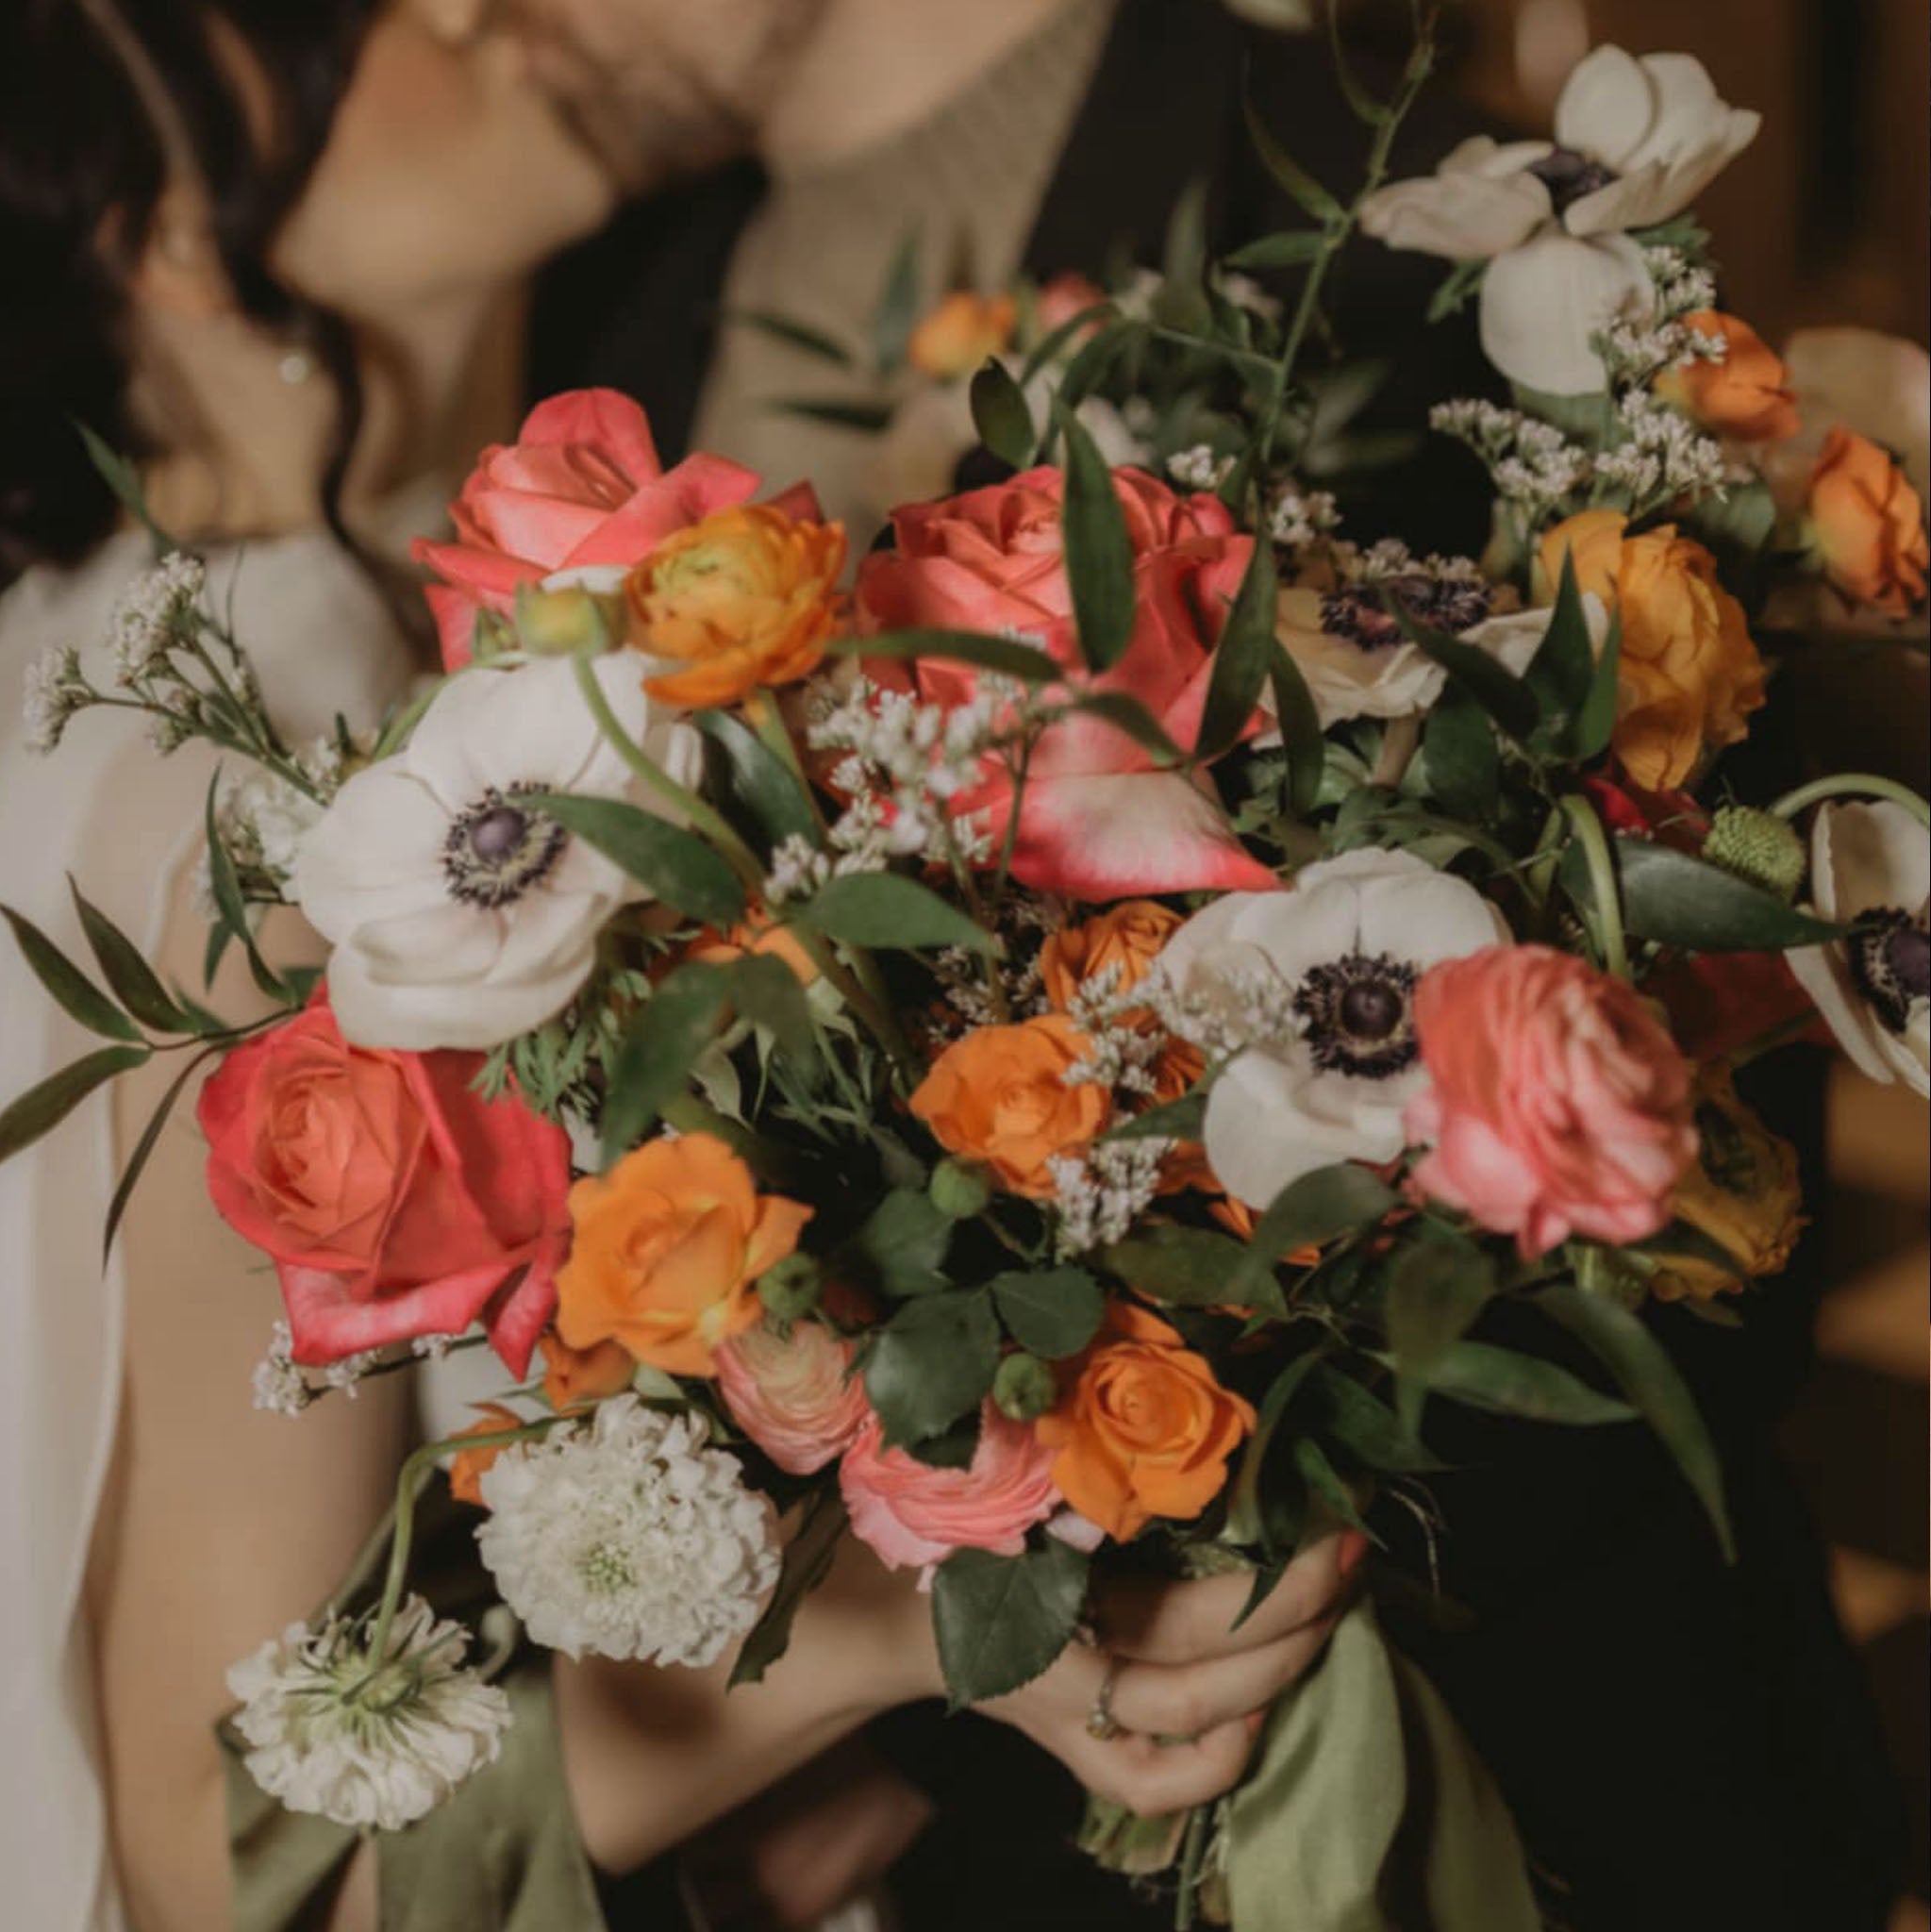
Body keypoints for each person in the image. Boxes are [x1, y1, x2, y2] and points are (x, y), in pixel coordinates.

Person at [509, 4, 1909, 1928]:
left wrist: (914, 1731)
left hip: (1499, 1789)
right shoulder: (641, 284)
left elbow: (1651, 1161)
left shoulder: (1370, 236)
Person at [0, 6, 1361, 1930]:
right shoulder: (266, 799)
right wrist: (891, 1640)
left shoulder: (177, 669)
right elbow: (233, 1870)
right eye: (342, 23)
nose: (471, 13)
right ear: (166, 222)